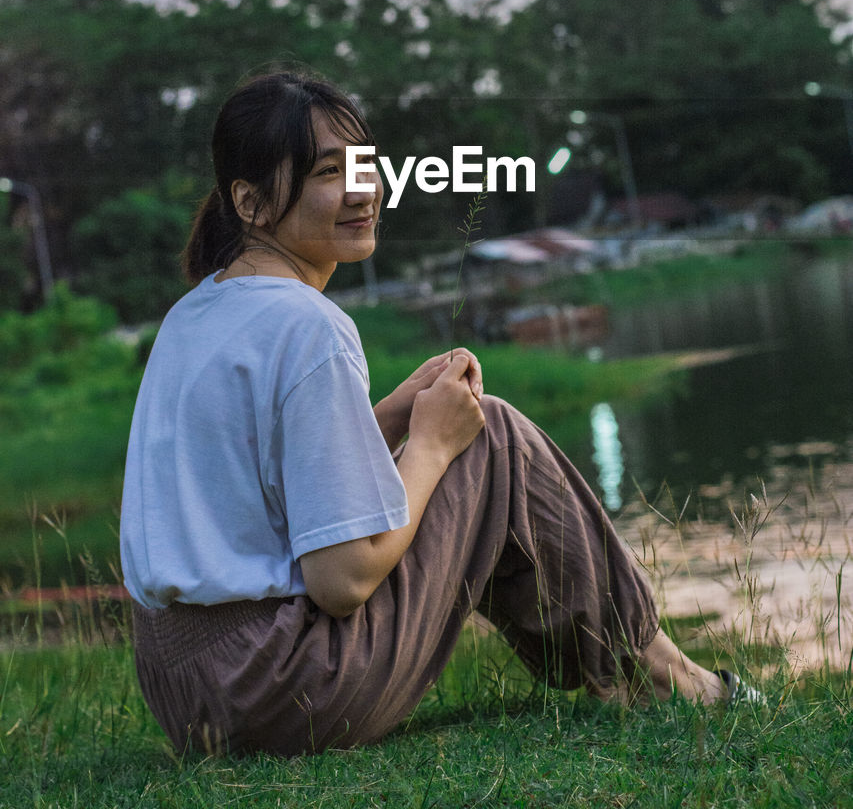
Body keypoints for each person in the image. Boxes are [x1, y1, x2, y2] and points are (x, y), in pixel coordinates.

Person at [120, 70, 732, 759]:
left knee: (471, 430)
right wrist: (432, 447)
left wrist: (385, 419)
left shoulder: (195, 312)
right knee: (491, 434)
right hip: (282, 693)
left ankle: (640, 669)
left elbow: (254, 493)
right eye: (329, 172)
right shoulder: (305, 324)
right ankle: (665, 678)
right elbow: (343, 579)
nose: (362, 191)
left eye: (365, 167)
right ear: (251, 203)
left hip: (188, 698)